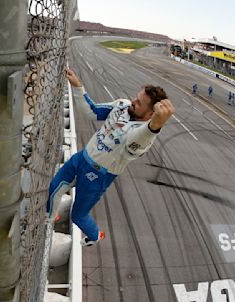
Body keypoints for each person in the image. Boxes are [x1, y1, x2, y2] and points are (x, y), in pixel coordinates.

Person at [47, 68, 175, 246]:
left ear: (150, 115)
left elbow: (134, 142)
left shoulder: (143, 135)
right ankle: (49, 219)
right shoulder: (122, 105)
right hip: (81, 158)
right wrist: (77, 86)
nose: (132, 102)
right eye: (135, 98)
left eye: (138, 104)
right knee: (53, 188)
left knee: (78, 216)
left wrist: (154, 127)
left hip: (98, 177)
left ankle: (94, 236)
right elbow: (92, 112)